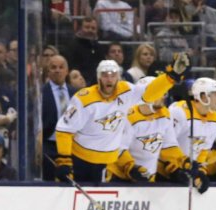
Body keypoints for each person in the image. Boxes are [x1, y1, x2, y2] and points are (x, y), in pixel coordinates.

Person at [54, 55, 186, 185]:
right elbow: (64, 130)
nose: (109, 79)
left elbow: (149, 93)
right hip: (80, 159)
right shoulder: (84, 99)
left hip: (106, 162)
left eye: (113, 75)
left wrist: (170, 77)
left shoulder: (126, 91)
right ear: (98, 77)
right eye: (105, 75)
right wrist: (64, 160)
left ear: (118, 77)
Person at [107, 76, 190, 184]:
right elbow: (118, 148)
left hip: (149, 178)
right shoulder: (126, 115)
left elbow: (168, 145)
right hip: (119, 178)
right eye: (159, 92)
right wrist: (130, 167)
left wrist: (183, 161)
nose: (164, 97)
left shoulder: (165, 114)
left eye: (164, 92)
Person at [166, 77, 216, 193]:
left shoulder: (215, 118)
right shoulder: (179, 111)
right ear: (203, 96)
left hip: (188, 172)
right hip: (166, 172)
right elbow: (165, 144)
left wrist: (200, 173)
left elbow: (203, 150)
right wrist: (175, 168)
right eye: (215, 94)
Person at [41, 54, 75, 181]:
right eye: (53, 67)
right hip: (49, 145)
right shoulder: (40, 93)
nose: (57, 70)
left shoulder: (76, 93)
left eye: (61, 67)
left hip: (71, 146)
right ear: (48, 71)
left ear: (67, 71)